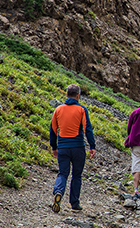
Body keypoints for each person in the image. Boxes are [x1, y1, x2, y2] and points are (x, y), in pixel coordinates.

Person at [50, 84, 97, 213]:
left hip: (63, 147)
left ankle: (58, 191)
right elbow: (88, 129)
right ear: (78, 96)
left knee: (63, 173)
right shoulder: (82, 110)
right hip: (78, 148)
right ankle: (74, 203)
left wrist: (54, 147)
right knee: (77, 175)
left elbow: (53, 131)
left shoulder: (58, 110)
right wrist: (92, 146)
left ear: (66, 94)